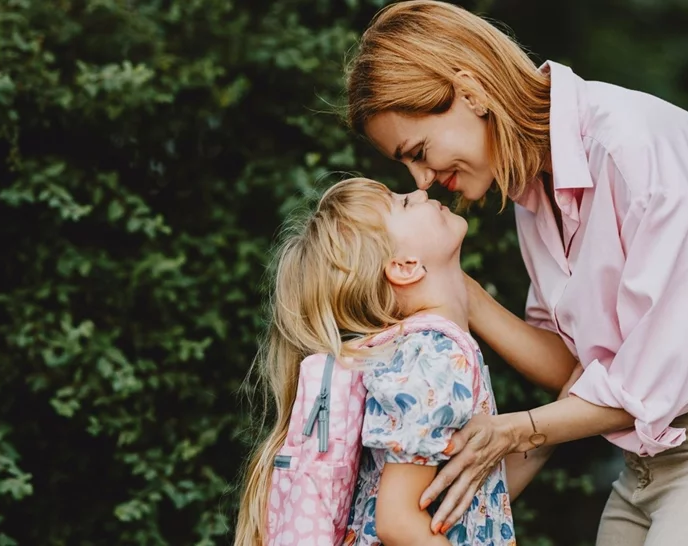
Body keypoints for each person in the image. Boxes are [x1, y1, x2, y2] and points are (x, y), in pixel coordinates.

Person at [345, 2, 688, 545]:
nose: (423, 179)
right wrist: (460, 295)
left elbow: (660, 371)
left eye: (418, 151)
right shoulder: (537, 188)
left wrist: (515, 432)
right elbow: (577, 369)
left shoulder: (630, 148)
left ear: (471, 91)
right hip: (647, 464)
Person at [233, 178, 552, 546]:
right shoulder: (433, 353)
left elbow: (468, 500)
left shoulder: (415, 349)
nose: (418, 192)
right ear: (405, 266)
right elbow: (398, 523)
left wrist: (552, 430)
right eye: (402, 204)